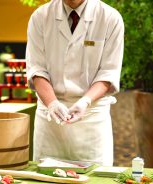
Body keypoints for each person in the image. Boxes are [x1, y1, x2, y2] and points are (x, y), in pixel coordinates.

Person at [26, 0, 124, 166]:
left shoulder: (110, 18)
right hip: (50, 124)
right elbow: (37, 70)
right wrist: (52, 103)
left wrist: (85, 101)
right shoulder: (40, 17)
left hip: (91, 120)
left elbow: (108, 73)